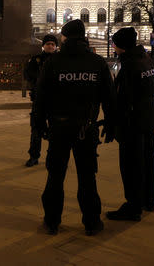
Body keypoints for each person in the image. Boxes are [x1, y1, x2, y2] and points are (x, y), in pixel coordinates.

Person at [34, 19, 116, 235]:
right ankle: (92, 222)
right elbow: (109, 98)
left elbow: (40, 97)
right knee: (87, 178)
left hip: (59, 128)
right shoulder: (97, 62)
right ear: (83, 37)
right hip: (86, 129)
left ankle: (52, 221)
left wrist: (39, 125)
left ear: (64, 37)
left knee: (55, 177)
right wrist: (111, 123)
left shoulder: (53, 62)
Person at [106, 28, 154, 221]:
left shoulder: (128, 64)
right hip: (148, 120)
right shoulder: (146, 59)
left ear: (122, 45)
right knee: (148, 162)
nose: (113, 46)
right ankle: (148, 199)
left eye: (114, 43)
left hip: (132, 124)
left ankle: (133, 206)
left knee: (131, 166)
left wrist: (115, 123)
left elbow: (122, 99)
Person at [24, 34, 58, 167]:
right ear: (43, 45)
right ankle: (34, 156)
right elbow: (28, 74)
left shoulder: (59, 60)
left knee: (56, 131)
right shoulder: (35, 60)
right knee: (36, 129)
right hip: (39, 100)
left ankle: (54, 157)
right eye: (48, 44)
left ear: (56, 47)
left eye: (53, 44)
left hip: (56, 101)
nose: (50, 46)